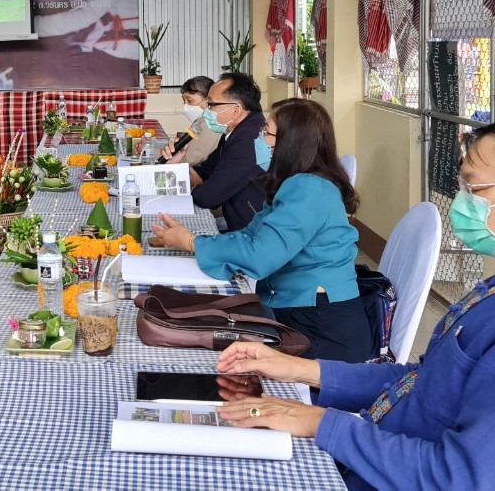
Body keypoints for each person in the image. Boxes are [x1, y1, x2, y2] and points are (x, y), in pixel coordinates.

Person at [212, 113, 495, 489]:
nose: (463, 203)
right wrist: (299, 370)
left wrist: (321, 422)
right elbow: (422, 382)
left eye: (477, 188)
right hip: (375, 457)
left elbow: (457, 477)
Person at [153, 99, 372, 362]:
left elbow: (260, 256)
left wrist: (192, 242)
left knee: (218, 353)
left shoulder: (309, 189)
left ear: (291, 143)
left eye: (266, 133)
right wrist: (195, 241)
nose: (260, 140)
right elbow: (250, 235)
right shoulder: (295, 183)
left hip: (322, 328)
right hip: (298, 309)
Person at [187, 72, 265, 232]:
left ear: (236, 110)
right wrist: (178, 164)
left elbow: (208, 197)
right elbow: (206, 171)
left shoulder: (248, 139)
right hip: (235, 221)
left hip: (251, 232)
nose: (206, 110)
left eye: (211, 104)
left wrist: (195, 185)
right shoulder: (235, 131)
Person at [163, 75, 222, 166]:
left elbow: (192, 158)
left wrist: (152, 152)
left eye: (190, 101)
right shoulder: (201, 120)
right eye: (184, 101)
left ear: (207, 100)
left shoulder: (211, 124)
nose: (185, 106)